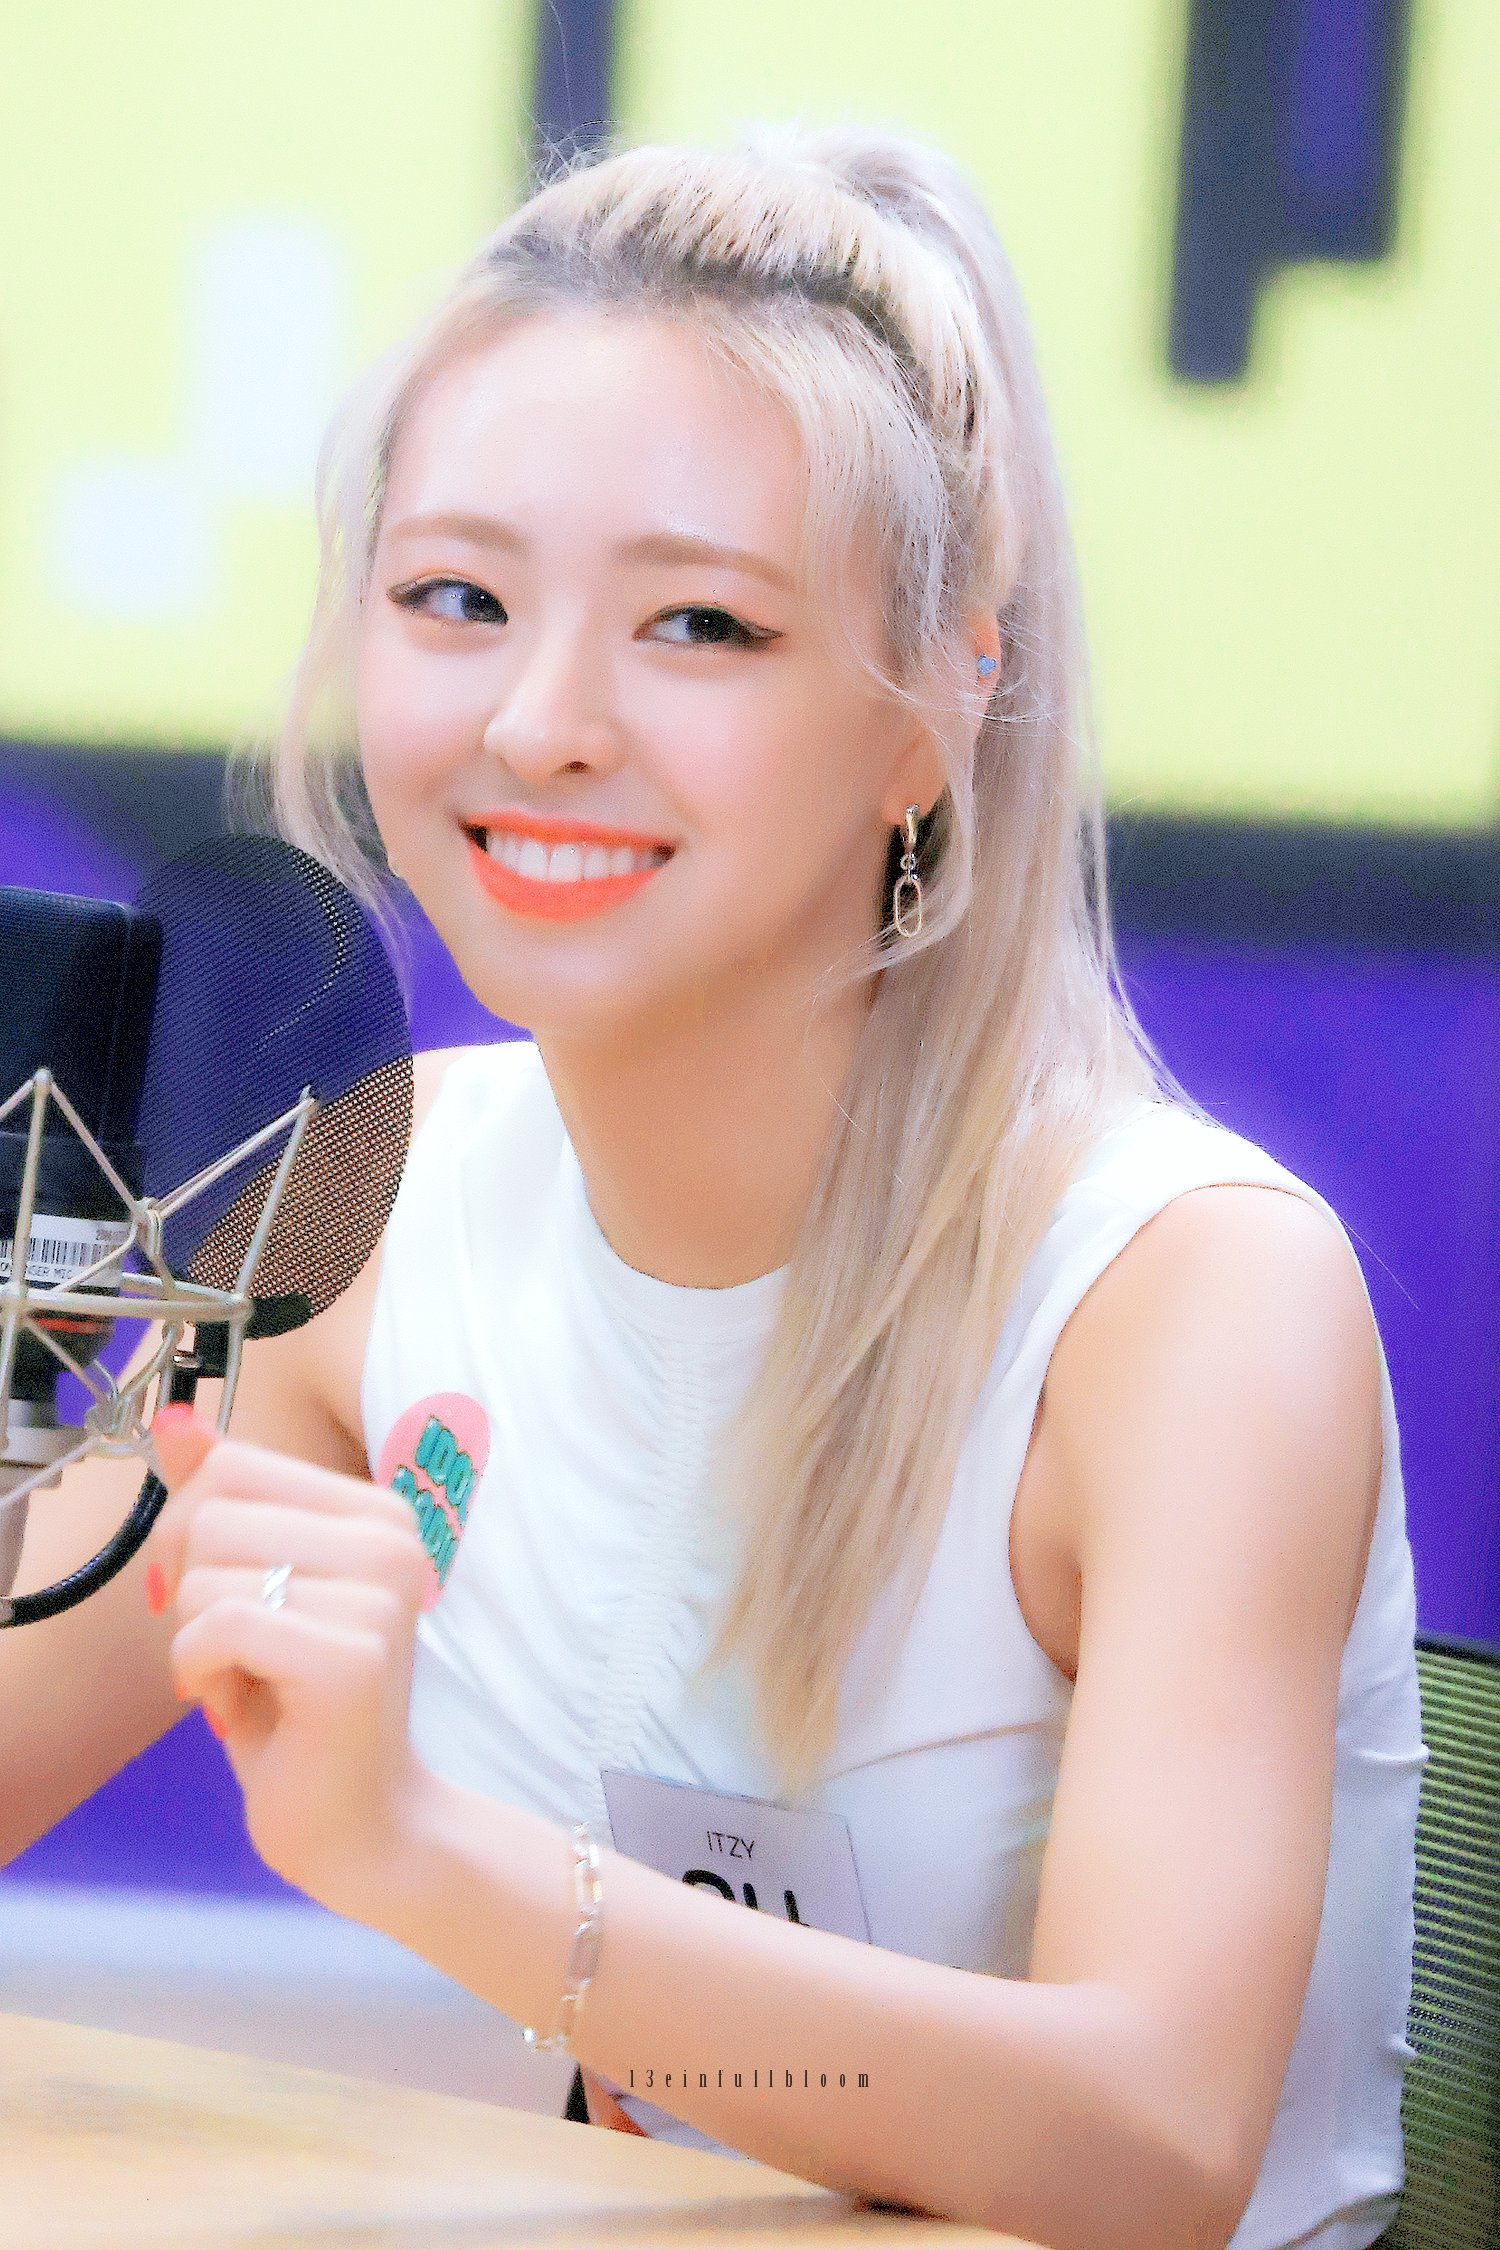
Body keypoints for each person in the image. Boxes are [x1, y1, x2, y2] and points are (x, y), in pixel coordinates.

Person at [0, 126, 1424, 2250]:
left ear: (944, 696)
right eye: (457, 599)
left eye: (701, 624)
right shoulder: (373, 1200)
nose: (542, 721)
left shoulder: (1188, 1300)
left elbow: (1149, 2148)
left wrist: (421, 1852)